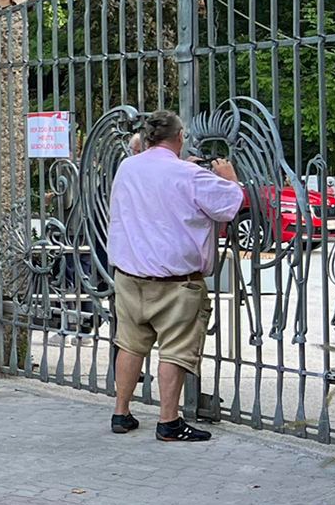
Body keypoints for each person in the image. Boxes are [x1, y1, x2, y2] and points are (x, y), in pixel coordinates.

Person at [105, 110, 246, 443]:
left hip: (129, 276)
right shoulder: (189, 175)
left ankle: (121, 413)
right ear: (180, 137)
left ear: (148, 137)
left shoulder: (128, 168)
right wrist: (230, 177)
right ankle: (168, 422)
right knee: (175, 351)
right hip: (176, 283)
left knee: (129, 344)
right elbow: (230, 205)